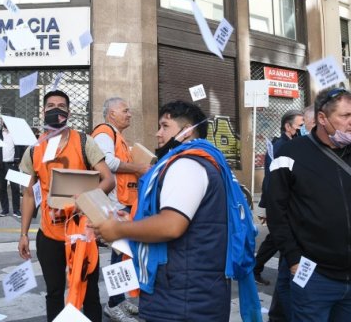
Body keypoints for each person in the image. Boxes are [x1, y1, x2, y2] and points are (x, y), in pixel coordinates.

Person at [92, 100, 233, 321]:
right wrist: (131, 221)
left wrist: (121, 229)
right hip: (189, 293)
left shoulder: (186, 165)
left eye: (165, 126)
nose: (158, 134)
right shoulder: (198, 161)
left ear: (187, 132)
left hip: (182, 299)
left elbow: (171, 225)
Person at [18, 90, 115, 321]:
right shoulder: (33, 150)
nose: (56, 110)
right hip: (49, 235)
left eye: (61, 106)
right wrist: (23, 234)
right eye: (50, 105)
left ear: (69, 112)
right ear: (43, 111)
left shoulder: (84, 141)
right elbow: (28, 195)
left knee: (89, 292)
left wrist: (86, 200)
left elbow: (108, 179)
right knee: (53, 293)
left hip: (82, 234)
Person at [268, 87, 351, 321]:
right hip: (313, 277)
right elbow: (276, 211)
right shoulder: (290, 153)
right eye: (345, 116)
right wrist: (293, 259)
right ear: (322, 118)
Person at [91, 97, 150, 322]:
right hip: (115, 206)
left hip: (123, 203)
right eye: (125, 110)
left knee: (123, 256)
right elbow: (108, 163)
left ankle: (120, 299)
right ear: (111, 113)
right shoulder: (105, 132)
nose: (129, 114)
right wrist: (139, 167)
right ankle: (113, 304)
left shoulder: (117, 135)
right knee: (118, 256)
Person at [255, 110, 304, 286]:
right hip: (280, 202)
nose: (302, 129)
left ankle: (257, 268)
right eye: (300, 125)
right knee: (277, 238)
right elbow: (272, 179)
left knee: (277, 238)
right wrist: (269, 205)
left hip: (288, 202)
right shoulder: (280, 147)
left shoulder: (294, 144)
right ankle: (255, 268)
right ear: (288, 126)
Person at [0, 121, 26, 217]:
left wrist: (20, 160)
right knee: (2, 187)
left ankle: (16, 210)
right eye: (4, 122)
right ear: (2, 123)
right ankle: (5, 210)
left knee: (15, 188)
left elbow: (22, 148)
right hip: (0, 164)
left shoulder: (16, 135)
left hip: (13, 164)